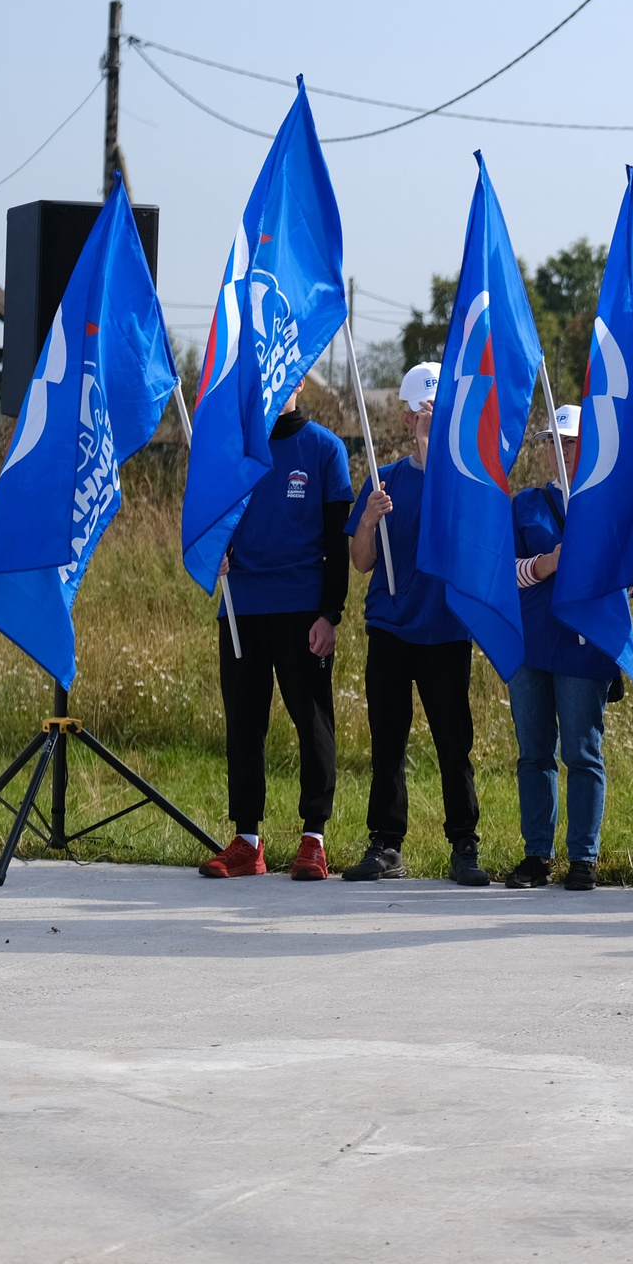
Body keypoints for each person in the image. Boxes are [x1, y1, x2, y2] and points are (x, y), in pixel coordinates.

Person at [200, 383, 353, 881]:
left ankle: (314, 838)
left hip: (302, 607)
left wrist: (330, 613)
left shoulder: (326, 449)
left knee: (312, 721)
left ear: (301, 379)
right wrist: (214, 553)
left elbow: (338, 541)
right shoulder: (235, 449)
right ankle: (247, 841)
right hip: (242, 606)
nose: (275, 386)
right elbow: (212, 521)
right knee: (244, 724)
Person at [344, 363, 486, 885]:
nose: (428, 418)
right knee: (387, 741)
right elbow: (361, 562)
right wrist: (368, 520)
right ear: (406, 418)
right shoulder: (383, 480)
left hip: (445, 630)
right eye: (422, 412)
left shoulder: (461, 482)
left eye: (437, 411)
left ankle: (464, 844)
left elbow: (463, 541)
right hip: (391, 627)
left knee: (453, 741)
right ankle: (385, 843)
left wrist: (432, 450)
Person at [504, 405, 623, 891]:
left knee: (582, 752)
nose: (564, 451)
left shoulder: (609, 502)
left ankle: (583, 857)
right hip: (531, 644)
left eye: (572, 442)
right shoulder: (525, 504)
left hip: (584, 646)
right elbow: (502, 573)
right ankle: (537, 855)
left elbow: (625, 574)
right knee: (534, 753)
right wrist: (545, 565)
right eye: (555, 442)